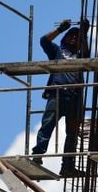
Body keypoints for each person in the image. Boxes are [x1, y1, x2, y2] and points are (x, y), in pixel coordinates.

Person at [31, 18, 89, 177]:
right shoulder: (57, 51)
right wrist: (60, 29)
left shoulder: (81, 56)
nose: (75, 39)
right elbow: (44, 41)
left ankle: (68, 166)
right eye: (72, 36)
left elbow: (86, 51)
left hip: (75, 97)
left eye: (77, 37)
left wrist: (84, 33)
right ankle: (37, 155)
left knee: (72, 134)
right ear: (66, 38)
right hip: (58, 93)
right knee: (47, 125)